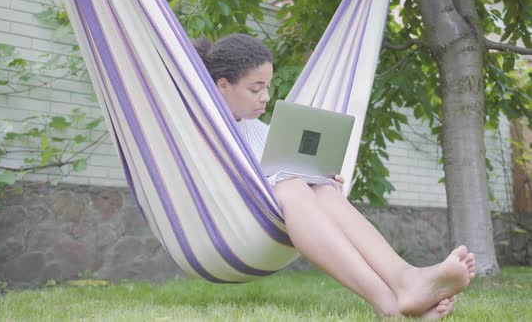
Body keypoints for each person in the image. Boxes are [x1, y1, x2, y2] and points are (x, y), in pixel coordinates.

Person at [193, 33, 476, 319]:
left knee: (324, 189)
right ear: (223, 86)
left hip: (277, 213)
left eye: (267, 86)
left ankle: (405, 281)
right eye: (255, 89)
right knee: (291, 186)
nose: (265, 97)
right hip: (230, 223)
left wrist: (317, 178)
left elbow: (276, 172)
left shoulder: (261, 130)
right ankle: (388, 305)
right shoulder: (198, 126)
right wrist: (295, 182)